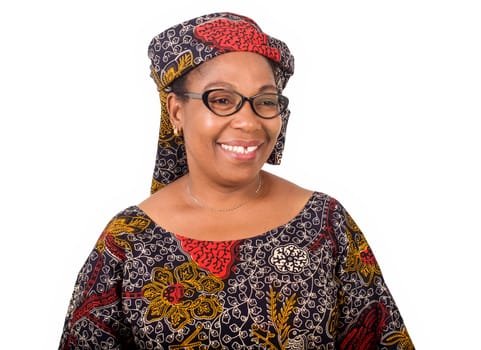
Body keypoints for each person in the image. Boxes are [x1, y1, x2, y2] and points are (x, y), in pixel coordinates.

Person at [59, 12, 414, 349]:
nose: (248, 121)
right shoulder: (128, 240)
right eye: (223, 99)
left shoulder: (326, 223)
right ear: (176, 111)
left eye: (264, 101)